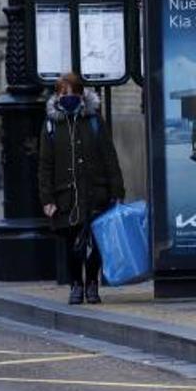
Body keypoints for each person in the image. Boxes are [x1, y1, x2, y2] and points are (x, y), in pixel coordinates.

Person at [38, 73, 125, 305]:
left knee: (96, 243)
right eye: (63, 93)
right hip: (65, 196)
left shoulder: (94, 120)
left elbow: (110, 157)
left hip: (96, 193)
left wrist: (117, 191)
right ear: (57, 95)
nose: (68, 97)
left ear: (81, 94)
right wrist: (47, 198)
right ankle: (76, 283)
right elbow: (45, 165)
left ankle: (92, 284)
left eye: (73, 92)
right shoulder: (51, 125)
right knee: (72, 244)